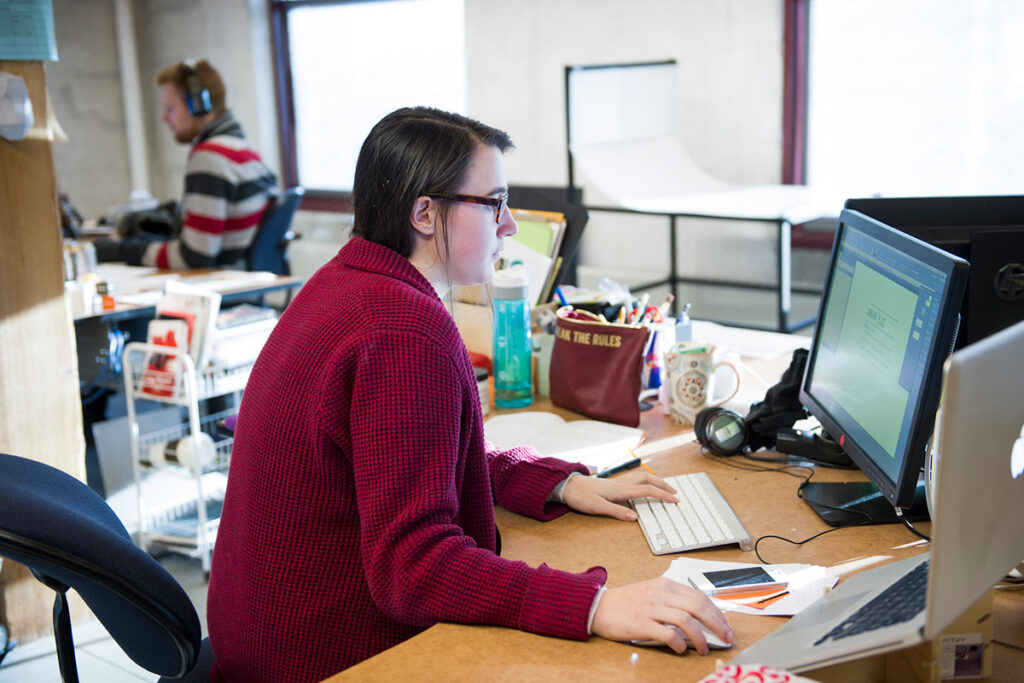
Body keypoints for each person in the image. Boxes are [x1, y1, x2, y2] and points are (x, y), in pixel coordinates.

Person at [206, 107, 732, 681]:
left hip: (261, 639)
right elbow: (414, 565)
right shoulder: (403, 329)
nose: (509, 227)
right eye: (494, 203)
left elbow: (402, 459)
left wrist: (555, 481)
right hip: (327, 660)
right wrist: (595, 605)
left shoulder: (345, 283)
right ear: (426, 214)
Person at [94, 58, 278, 268]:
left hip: (219, 285)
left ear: (197, 105)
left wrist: (122, 250)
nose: (164, 118)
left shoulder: (210, 158)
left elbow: (194, 257)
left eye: (170, 108)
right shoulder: (245, 148)